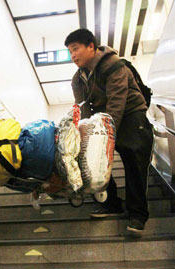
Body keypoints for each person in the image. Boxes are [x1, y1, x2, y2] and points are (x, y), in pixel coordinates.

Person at [65, 28, 153, 235]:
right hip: (103, 121)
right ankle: (111, 202)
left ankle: (137, 214)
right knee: (92, 160)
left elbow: (117, 102)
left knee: (134, 161)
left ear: (91, 46)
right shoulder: (77, 79)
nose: (73, 55)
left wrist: (107, 135)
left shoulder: (113, 65)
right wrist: (83, 134)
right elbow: (83, 106)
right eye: (70, 52)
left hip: (131, 116)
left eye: (76, 49)